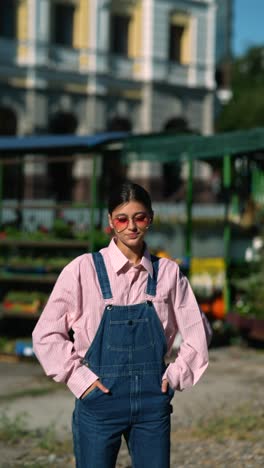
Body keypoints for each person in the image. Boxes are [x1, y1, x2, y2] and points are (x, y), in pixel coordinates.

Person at [32, 181, 209, 468]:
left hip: (153, 403)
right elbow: (46, 334)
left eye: (139, 218)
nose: (131, 226)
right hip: (99, 401)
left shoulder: (168, 273)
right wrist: (80, 381)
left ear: (150, 218)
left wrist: (174, 376)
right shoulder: (82, 270)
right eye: (122, 219)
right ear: (110, 222)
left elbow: (198, 333)